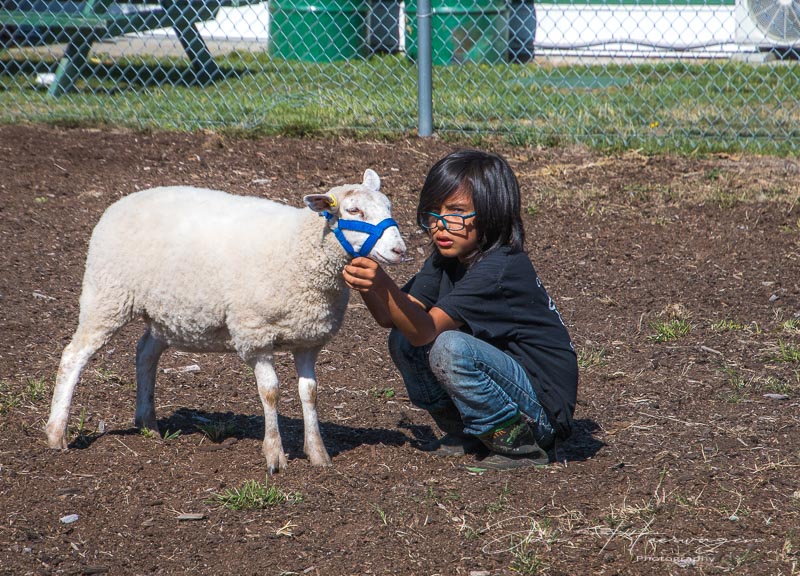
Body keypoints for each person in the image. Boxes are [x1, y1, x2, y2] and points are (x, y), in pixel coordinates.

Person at [343, 150, 578, 470]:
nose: (439, 226)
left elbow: (425, 329)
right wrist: (369, 281)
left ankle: (519, 445)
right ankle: (470, 432)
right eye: (433, 213)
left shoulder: (500, 269)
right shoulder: (445, 260)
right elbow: (393, 317)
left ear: (492, 213)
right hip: (508, 388)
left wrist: (381, 281)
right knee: (403, 338)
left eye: (455, 212)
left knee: (448, 347)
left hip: (541, 411)